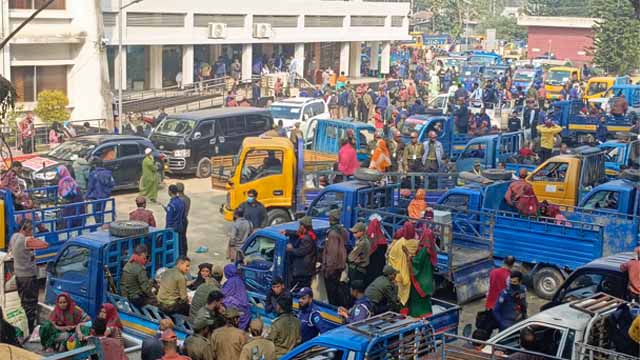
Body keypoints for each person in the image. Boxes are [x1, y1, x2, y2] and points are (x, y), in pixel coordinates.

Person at [11, 218, 46, 333]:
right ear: (24, 229)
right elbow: (45, 245)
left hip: (19, 275)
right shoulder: (25, 240)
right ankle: (30, 330)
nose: (32, 232)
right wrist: (32, 239)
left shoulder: (14, 237)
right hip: (28, 277)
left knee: (24, 302)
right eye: (31, 230)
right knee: (30, 304)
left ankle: (25, 327)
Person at [323, 209, 348, 307]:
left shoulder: (332, 234)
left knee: (332, 294)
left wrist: (328, 269)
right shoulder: (343, 230)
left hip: (333, 268)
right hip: (340, 266)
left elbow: (332, 254)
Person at [221, 264, 251, 330]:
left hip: (238, 308)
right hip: (245, 309)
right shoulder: (239, 279)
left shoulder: (231, 282)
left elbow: (222, 294)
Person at [86, 158, 115, 224]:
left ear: (95, 165)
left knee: (95, 212)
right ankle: (101, 224)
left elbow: (90, 186)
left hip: (96, 197)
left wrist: (86, 196)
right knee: (102, 211)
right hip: (105, 196)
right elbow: (112, 184)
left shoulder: (93, 174)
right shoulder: (108, 173)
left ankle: (99, 225)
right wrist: (107, 192)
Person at [165, 185, 187, 256]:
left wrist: (167, 229)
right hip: (180, 227)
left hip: (172, 228)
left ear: (170, 192)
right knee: (180, 246)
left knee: (171, 247)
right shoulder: (182, 202)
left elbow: (169, 219)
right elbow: (183, 215)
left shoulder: (171, 205)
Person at [348, 222, 370, 287]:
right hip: (361, 269)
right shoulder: (364, 240)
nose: (354, 234)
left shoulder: (362, 243)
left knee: (355, 289)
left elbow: (351, 257)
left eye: (355, 232)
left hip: (358, 270)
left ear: (362, 232)